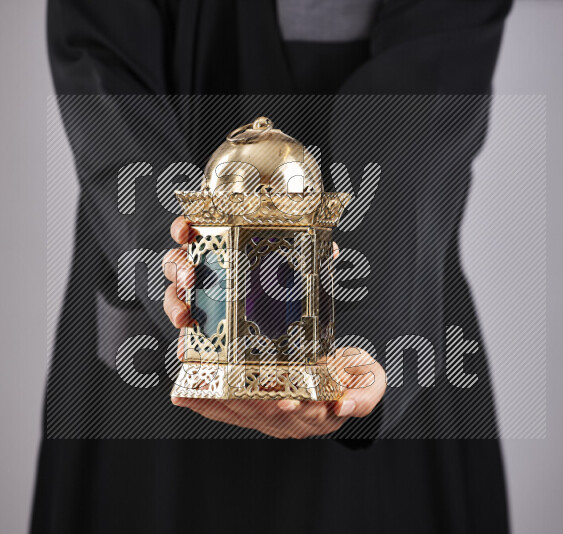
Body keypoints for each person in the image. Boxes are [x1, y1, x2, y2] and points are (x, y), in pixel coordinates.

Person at [33, 0, 513, 532]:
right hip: (155, 297)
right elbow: (104, 72)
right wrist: (184, 264)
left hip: (394, 275)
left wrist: (369, 339)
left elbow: (432, 90)